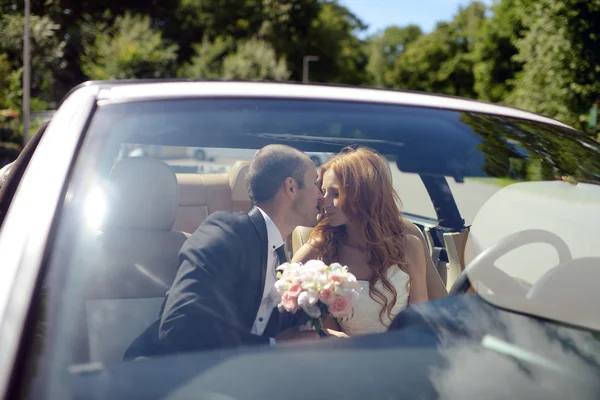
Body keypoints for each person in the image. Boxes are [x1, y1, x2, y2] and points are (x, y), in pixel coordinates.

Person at [124, 144, 329, 359]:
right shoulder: (226, 232)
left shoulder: (279, 254)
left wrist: (324, 337)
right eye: (315, 183)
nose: (321, 193)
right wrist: (274, 345)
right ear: (292, 187)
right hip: (165, 376)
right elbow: (181, 328)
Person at [293, 146, 428, 336]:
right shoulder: (319, 253)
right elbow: (318, 331)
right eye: (323, 192)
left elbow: (420, 320)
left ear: (363, 195)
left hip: (401, 355)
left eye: (335, 194)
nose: (323, 201)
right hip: (345, 359)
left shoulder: (410, 246)